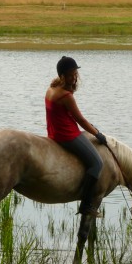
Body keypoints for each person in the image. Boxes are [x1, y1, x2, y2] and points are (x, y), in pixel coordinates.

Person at [45, 56, 107, 217]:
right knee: (97, 164)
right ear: (62, 76)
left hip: (54, 133)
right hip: (67, 135)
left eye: (75, 74)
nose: (74, 77)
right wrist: (97, 133)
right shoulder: (66, 96)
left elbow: (63, 115)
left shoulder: (50, 89)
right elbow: (80, 120)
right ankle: (86, 205)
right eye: (71, 74)